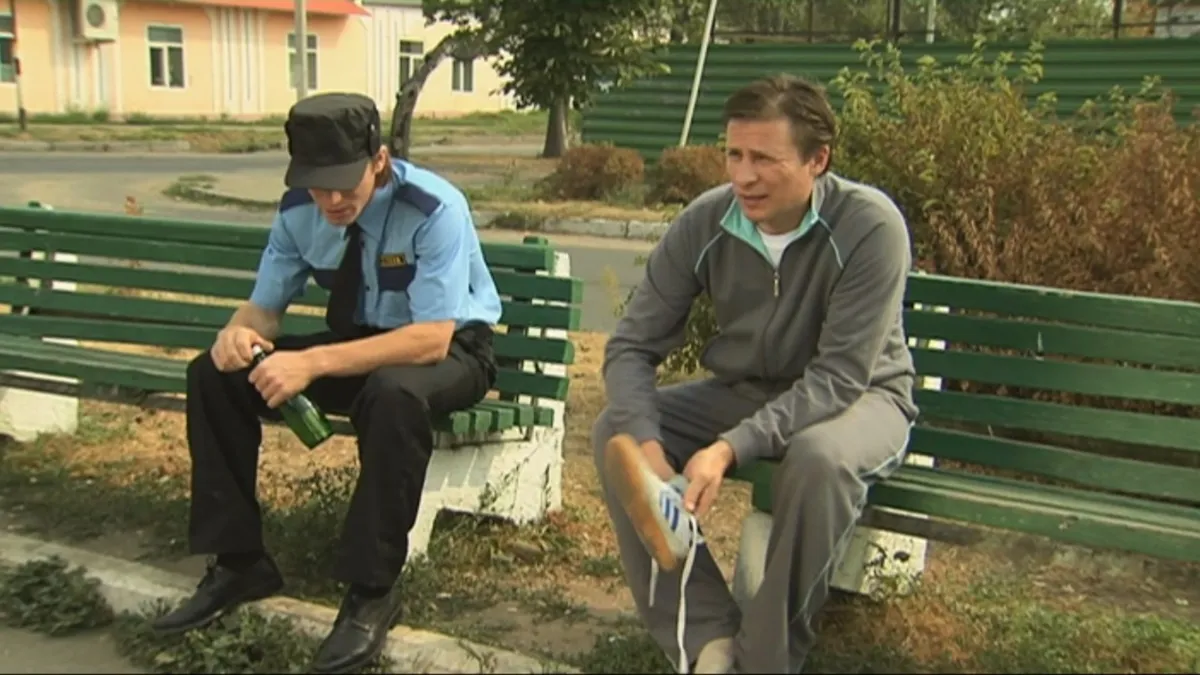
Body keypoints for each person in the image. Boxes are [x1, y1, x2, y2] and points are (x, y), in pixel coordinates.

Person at [150, 92, 502, 674]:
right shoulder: (297, 212)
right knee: (214, 375)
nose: (332, 200)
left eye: (344, 184)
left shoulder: (434, 207)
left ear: (379, 162)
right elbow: (264, 311)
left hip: (452, 350)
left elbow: (429, 341)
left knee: (393, 394)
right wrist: (236, 335)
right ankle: (239, 563)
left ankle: (372, 592)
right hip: (359, 345)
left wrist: (311, 364)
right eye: (317, 185)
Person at [594, 75, 919, 674]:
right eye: (734, 155)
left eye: (765, 159)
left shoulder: (869, 227)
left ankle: (764, 662)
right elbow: (631, 345)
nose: (743, 176)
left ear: (818, 160)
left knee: (818, 460)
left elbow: (838, 378)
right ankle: (708, 642)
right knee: (617, 426)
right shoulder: (707, 221)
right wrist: (650, 452)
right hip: (747, 392)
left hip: (863, 399)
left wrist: (727, 449)